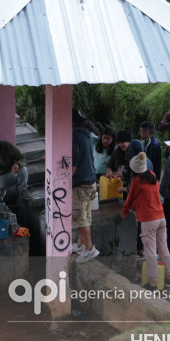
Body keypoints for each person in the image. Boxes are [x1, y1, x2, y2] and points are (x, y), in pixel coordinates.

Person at [120, 153, 170, 292]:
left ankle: (153, 284)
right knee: (163, 248)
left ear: (134, 169)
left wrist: (124, 211)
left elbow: (130, 198)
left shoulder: (137, 181)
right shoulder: (152, 176)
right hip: (161, 217)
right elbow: (143, 196)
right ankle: (168, 278)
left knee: (149, 252)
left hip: (149, 220)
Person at [71, 109, 100, 263]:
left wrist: (65, 179)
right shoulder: (86, 133)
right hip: (91, 181)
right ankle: (81, 244)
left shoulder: (74, 134)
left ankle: (89, 248)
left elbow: (74, 160)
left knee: (80, 217)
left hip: (80, 183)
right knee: (86, 216)